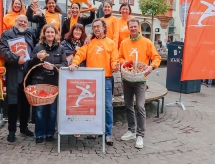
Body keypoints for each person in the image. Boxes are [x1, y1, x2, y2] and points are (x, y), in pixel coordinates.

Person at [69, 18, 120, 146]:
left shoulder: (111, 43)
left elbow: (114, 59)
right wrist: (75, 63)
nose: (96, 29)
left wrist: (115, 66)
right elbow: (80, 54)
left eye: (98, 26)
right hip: (91, 80)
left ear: (104, 28)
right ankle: (93, 130)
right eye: (94, 27)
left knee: (107, 107)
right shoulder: (89, 43)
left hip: (106, 79)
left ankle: (108, 133)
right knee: (91, 106)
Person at [119, 18, 161, 149]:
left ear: (139, 28)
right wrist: (124, 63)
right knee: (128, 105)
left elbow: (156, 57)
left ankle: (140, 135)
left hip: (140, 80)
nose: (133, 29)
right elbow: (120, 57)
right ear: (128, 28)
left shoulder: (147, 42)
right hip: (127, 78)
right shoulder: (124, 43)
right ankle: (131, 130)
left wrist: (151, 67)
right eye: (130, 27)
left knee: (140, 107)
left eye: (135, 26)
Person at [0, 15, 40, 142]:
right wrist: (16, 59)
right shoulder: (7, 34)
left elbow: (42, 33)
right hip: (14, 72)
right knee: (13, 103)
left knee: (26, 102)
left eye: (25, 21)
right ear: (15, 22)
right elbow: (2, 50)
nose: (22, 23)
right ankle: (11, 131)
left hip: (28, 72)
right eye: (20, 21)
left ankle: (24, 127)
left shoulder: (30, 33)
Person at [28, 24, 67, 143]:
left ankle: (50, 133)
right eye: (47, 32)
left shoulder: (61, 48)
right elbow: (30, 65)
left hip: (54, 82)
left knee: (52, 110)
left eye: (52, 32)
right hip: (40, 82)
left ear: (55, 34)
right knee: (40, 110)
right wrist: (36, 58)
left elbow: (65, 64)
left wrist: (53, 67)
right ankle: (39, 133)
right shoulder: (38, 47)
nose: (50, 34)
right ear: (44, 34)